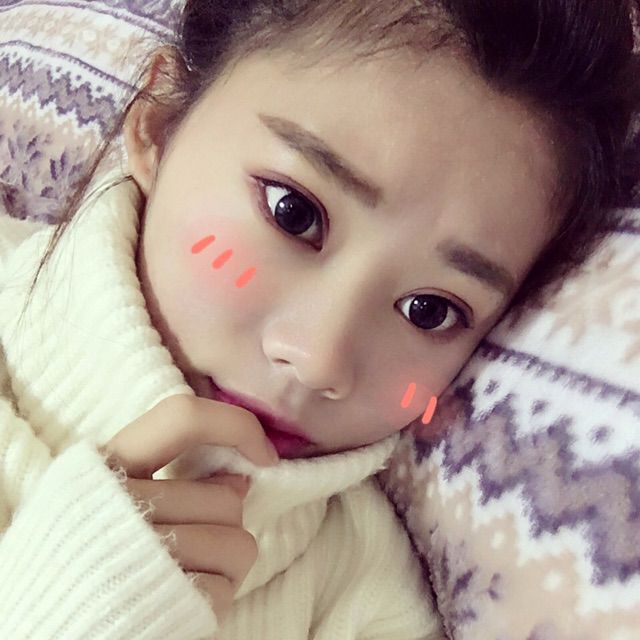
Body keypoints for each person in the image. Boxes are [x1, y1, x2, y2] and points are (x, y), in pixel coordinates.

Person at [0, 1, 638, 638]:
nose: (319, 360)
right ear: (160, 124)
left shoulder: (370, 602)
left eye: (430, 310)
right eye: (293, 213)